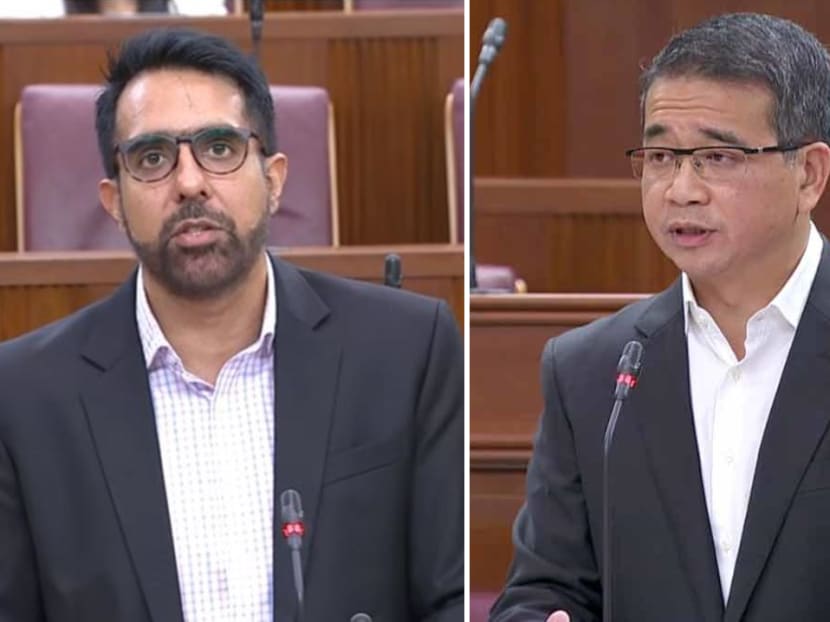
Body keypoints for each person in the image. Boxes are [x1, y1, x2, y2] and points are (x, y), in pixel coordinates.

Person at [0, 28, 463, 621]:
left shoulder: (405, 351)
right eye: (153, 158)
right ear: (113, 201)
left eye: (219, 148)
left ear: (272, 180)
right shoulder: (25, 398)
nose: (189, 182)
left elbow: (449, 595)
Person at [490, 12, 830, 622]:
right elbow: (545, 588)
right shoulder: (593, 372)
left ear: (808, 174)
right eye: (661, 155)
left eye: (717, 157)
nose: (681, 189)